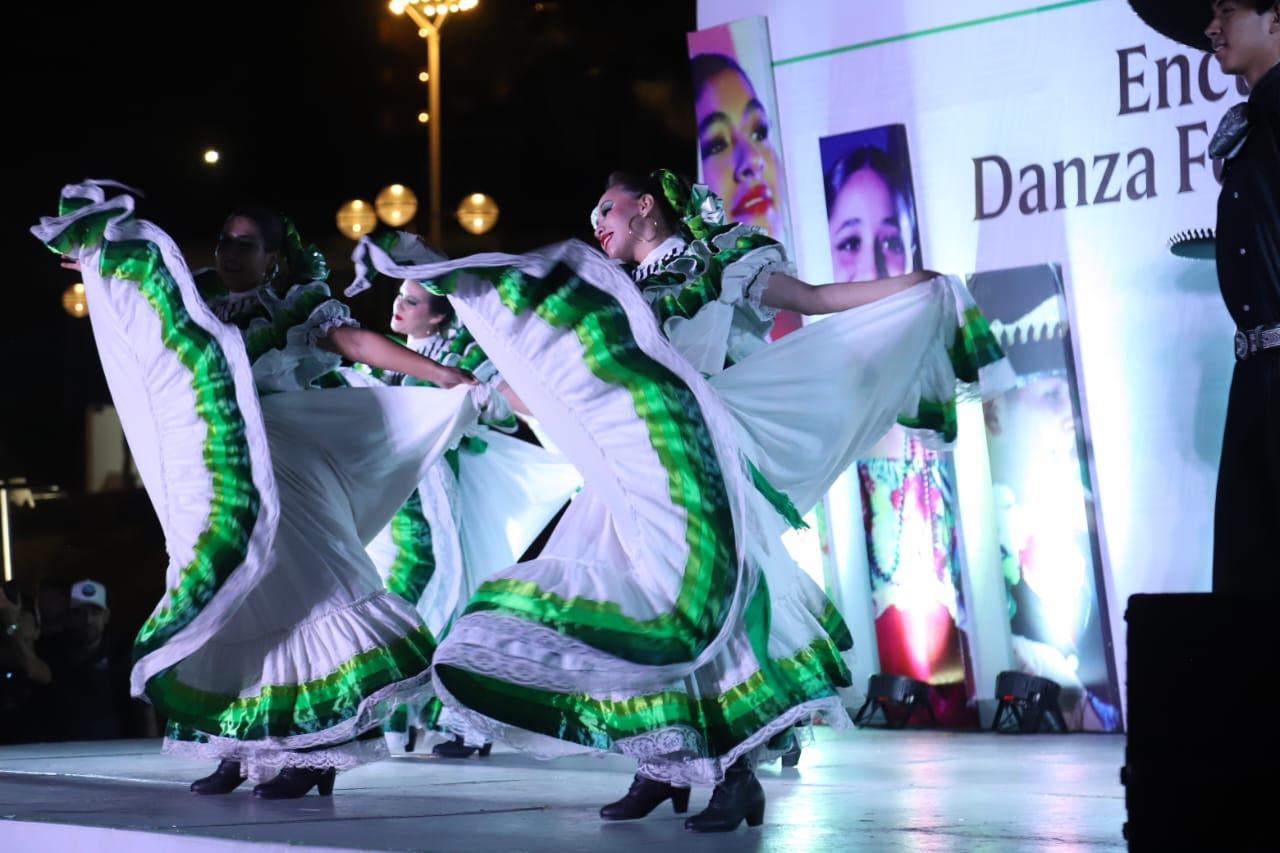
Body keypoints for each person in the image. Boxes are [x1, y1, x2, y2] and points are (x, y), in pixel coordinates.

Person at [349, 169, 1011, 832]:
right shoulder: (611, 297)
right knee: (642, 607)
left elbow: (813, 297)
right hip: (633, 470)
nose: (598, 223)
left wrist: (910, 286)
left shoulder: (720, 262)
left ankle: (737, 775)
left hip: (710, 459)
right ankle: (664, 766)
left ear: (646, 206)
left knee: (707, 604)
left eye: (607, 208)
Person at [34, 183, 481, 799]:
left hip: (287, 464)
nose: (229, 253)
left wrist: (437, 372)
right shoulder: (202, 299)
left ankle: (315, 752)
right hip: (221, 470)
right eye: (224, 241)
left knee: (304, 595)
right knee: (231, 600)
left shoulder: (299, 305)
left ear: (273, 257)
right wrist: (99, 265)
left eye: (245, 244)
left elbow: (353, 341)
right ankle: (235, 745)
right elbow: (148, 308)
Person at [343, 276, 580, 758]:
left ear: (438, 316)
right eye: (399, 296)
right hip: (378, 495)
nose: (399, 306)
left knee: (420, 592)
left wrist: (484, 401)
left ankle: (422, 715)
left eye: (413, 301)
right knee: (389, 592)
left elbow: (509, 411)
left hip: (427, 495)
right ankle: (409, 717)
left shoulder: (463, 360)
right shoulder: (384, 355)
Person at [1129, 1, 1279, 593]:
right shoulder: (1252, 125)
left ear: (1275, 17)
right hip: (1256, 374)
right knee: (1248, 582)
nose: (1211, 28)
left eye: (1227, 10)